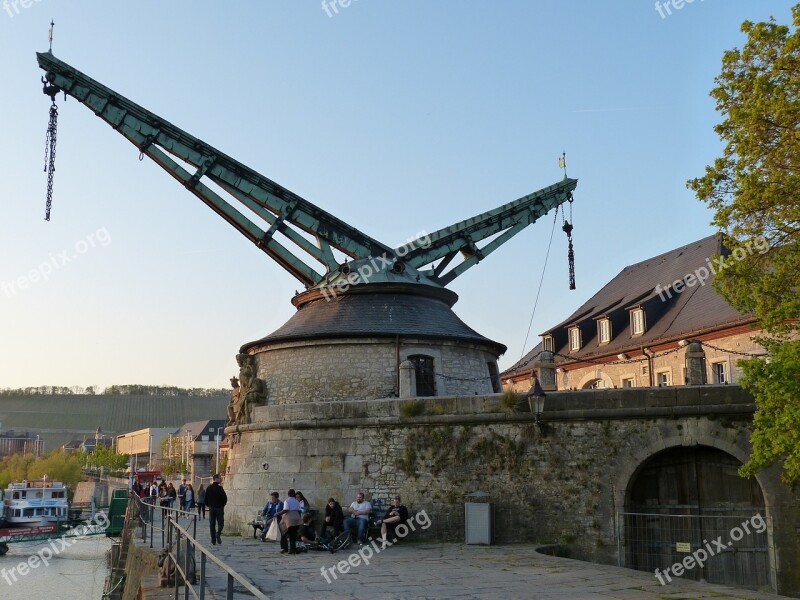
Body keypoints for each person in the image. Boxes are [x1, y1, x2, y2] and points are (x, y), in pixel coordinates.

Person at [205, 474, 228, 545]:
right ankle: (218, 533)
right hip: (219, 508)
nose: (221, 479)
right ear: (216, 479)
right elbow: (225, 498)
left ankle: (213, 540)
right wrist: (222, 505)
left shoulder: (209, 488)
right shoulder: (220, 488)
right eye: (220, 478)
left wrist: (209, 505)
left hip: (211, 508)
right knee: (221, 523)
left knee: (212, 524)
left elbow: (205, 499)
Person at [278, 489, 302, 555]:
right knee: (293, 535)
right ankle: (292, 549)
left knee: (284, 533)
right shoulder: (297, 501)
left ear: (288, 494)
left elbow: (285, 510)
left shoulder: (287, 501)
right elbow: (299, 510)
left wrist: (278, 513)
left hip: (288, 519)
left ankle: (285, 548)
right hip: (296, 518)